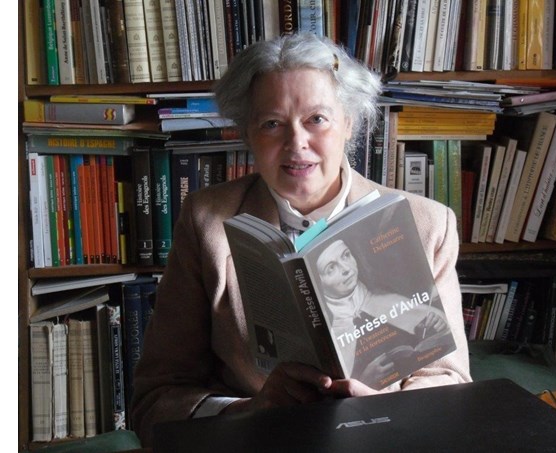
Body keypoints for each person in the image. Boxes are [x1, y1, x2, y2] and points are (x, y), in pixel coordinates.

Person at [131, 32, 471, 447]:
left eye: (317, 119)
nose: (297, 143)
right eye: (272, 124)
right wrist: (248, 411)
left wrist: (386, 408)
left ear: (349, 123)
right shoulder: (206, 222)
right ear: (248, 134)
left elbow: (449, 379)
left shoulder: (426, 224)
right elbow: (155, 400)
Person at [314, 238, 453, 387]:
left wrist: (439, 327)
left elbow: (447, 365)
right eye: (331, 268)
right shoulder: (328, 333)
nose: (346, 269)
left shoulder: (388, 299)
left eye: (346, 255)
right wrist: (366, 381)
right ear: (319, 281)